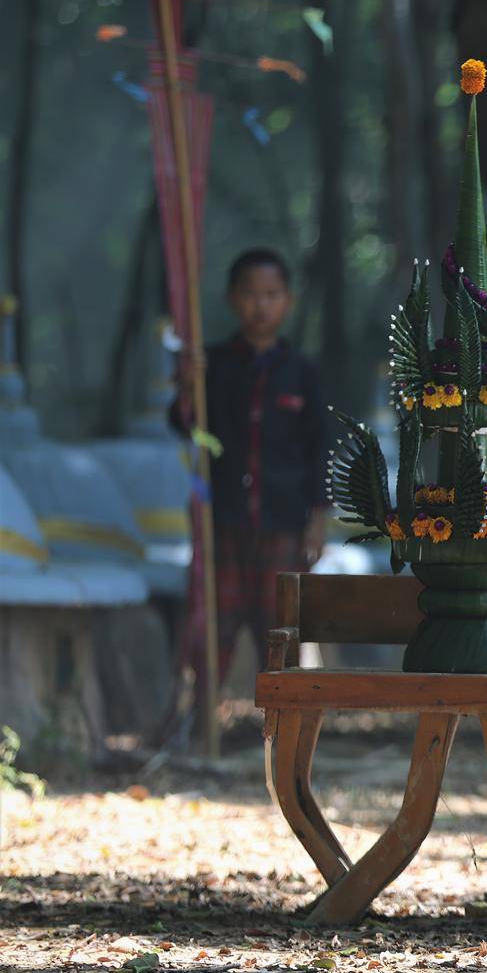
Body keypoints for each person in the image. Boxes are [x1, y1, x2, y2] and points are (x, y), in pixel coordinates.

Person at [169, 248, 327, 692]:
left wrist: (319, 519)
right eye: (251, 294)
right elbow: (186, 427)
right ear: (232, 299)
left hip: (284, 523)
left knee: (281, 632)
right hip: (223, 520)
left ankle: (285, 734)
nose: (261, 305)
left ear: (288, 301)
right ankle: (200, 729)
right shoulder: (212, 365)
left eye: (271, 294)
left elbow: (319, 448)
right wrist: (187, 386)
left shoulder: (302, 372)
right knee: (212, 629)